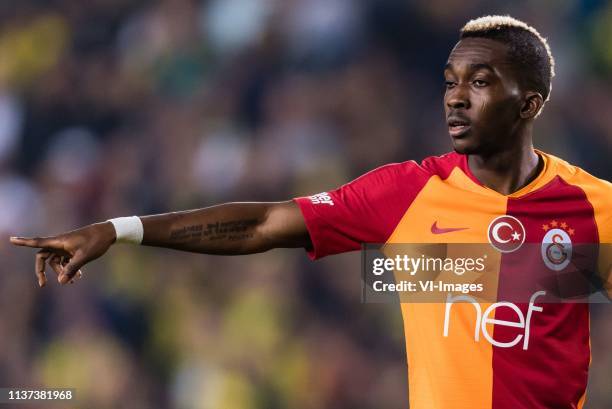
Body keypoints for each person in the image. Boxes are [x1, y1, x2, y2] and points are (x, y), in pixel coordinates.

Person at [9, 15, 611, 409]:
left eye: (479, 81)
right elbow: (265, 223)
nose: (455, 95)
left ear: (529, 103)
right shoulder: (408, 192)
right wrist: (122, 229)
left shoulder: (595, 208)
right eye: (451, 79)